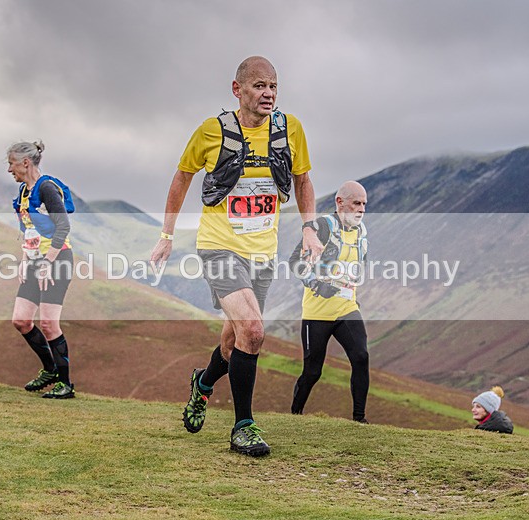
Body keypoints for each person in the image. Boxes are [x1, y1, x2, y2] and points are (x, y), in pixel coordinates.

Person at [150, 56, 323, 457]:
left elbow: (303, 179)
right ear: (237, 89)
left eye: (274, 86)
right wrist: (166, 235)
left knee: (234, 341)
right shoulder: (212, 131)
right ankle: (243, 426)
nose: (269, 94)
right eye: (260, 86)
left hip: (262, 253)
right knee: (255, 331)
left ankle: (204, 383)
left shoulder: (290, 129)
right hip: (219, 246)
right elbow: (182, 177)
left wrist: (310, 227)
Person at [289, 181, 371, 423]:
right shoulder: (323, 226)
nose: (361, 209)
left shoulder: (361, 231)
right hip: (317, 311)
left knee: (361, 356)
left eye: (364, 204)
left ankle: (359, 419)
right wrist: (316, 284)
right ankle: (294, 415)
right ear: (340, 202)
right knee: (313, 371)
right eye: (356, 203)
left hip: (347, 308)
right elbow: (295, 262)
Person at [8, 141, 76, 399]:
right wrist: (26, 259)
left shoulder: (46, 188)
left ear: (25, 162)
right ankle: (49, 369)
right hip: (36, 261)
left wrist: (47, 262)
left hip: (57, 260)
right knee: (21, 321)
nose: (9, 169)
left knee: (48, 323)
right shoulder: (24, 193)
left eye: (11, 163)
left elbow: (63, 228)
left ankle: (66, 384)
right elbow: (30, 230)